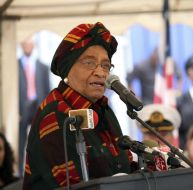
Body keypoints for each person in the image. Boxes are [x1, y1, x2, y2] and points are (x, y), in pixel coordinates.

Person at [22, 22, 134, 190]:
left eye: (105, 65)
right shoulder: (55, 115)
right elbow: (76, 186)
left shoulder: (103, 109)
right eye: (89, 62)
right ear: (68, 68)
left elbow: (126, 167)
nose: (101, 73)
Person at [18, 36, 50, 175]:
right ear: (21, 45)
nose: (28, 46)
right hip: (21, 109)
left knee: (40, 140)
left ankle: (41, 169)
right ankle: (20, 172)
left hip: (38, 106)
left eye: (30, 43)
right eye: (25, 43)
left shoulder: (42, 67)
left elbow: (47, 90)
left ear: (34, 45)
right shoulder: (15, 66)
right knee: (21, 141)